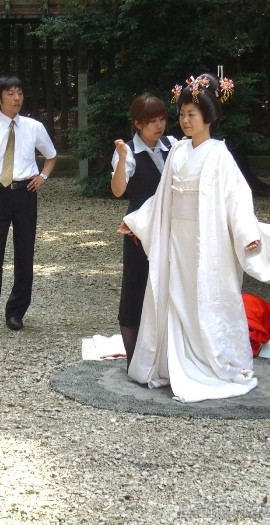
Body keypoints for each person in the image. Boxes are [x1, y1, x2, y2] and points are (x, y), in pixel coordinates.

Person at [121, 73, 261, 403]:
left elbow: (236, 197)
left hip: (206, 239)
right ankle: (172, 361)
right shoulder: (178, 151)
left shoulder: (219, 154)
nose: (184, 120)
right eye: (182, 114)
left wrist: (246, 232)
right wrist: (137, 221)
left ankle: (207, 361)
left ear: (208, 117)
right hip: (176, 238)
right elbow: (162, 198)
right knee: (174, 296)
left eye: (191, 115)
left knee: (204, 297)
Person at [0, 74, 57, 335]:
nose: (16, 97)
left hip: (24, 194)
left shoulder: (33, 127)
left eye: (19, 92)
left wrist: (42, 176)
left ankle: (16, 312)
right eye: (10, 93)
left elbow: (51, 156)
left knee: (25, 254)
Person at [111, 94, 177, 370]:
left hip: (172, 228)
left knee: (170, 288)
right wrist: (123, 157)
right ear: (137, 123)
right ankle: (133, 359)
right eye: (152, 122)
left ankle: (167, 355)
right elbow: (117, 191)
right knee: (136, 288)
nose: (159, 126)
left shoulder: (172, 144)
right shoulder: (127, 150)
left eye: (162, 119)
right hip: (140, 229)